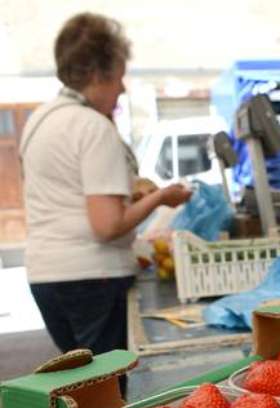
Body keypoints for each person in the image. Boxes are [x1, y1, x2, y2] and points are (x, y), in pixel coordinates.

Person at [21, 13, 191, 359]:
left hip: (45, 275)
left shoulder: (41, 119)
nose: (122, 88)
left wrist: (131, 191)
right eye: (119, 77)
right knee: (107, 393)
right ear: (99, 74)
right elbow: (107, 226)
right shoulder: (92, 127)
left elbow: (65, 192)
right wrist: (160, 197)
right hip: (91, 277)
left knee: (83, 386)